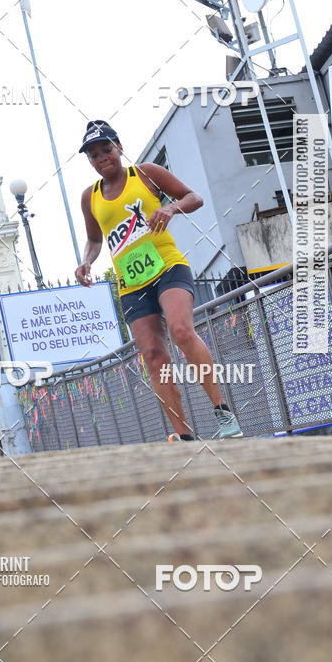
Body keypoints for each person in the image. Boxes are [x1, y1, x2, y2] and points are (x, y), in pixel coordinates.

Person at [75, 120, 243, 441]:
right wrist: (86, 261)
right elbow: (95, 240)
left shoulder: (147, 173)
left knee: (181, 331)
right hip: (132, 285)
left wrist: (171, 209)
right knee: (153, 356)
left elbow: (194, 197)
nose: (102, 158)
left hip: (167, 267)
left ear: (119, 147)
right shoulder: (90, 197)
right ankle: (183, 435)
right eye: (94, 155)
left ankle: (223, 414)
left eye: (106, 150)